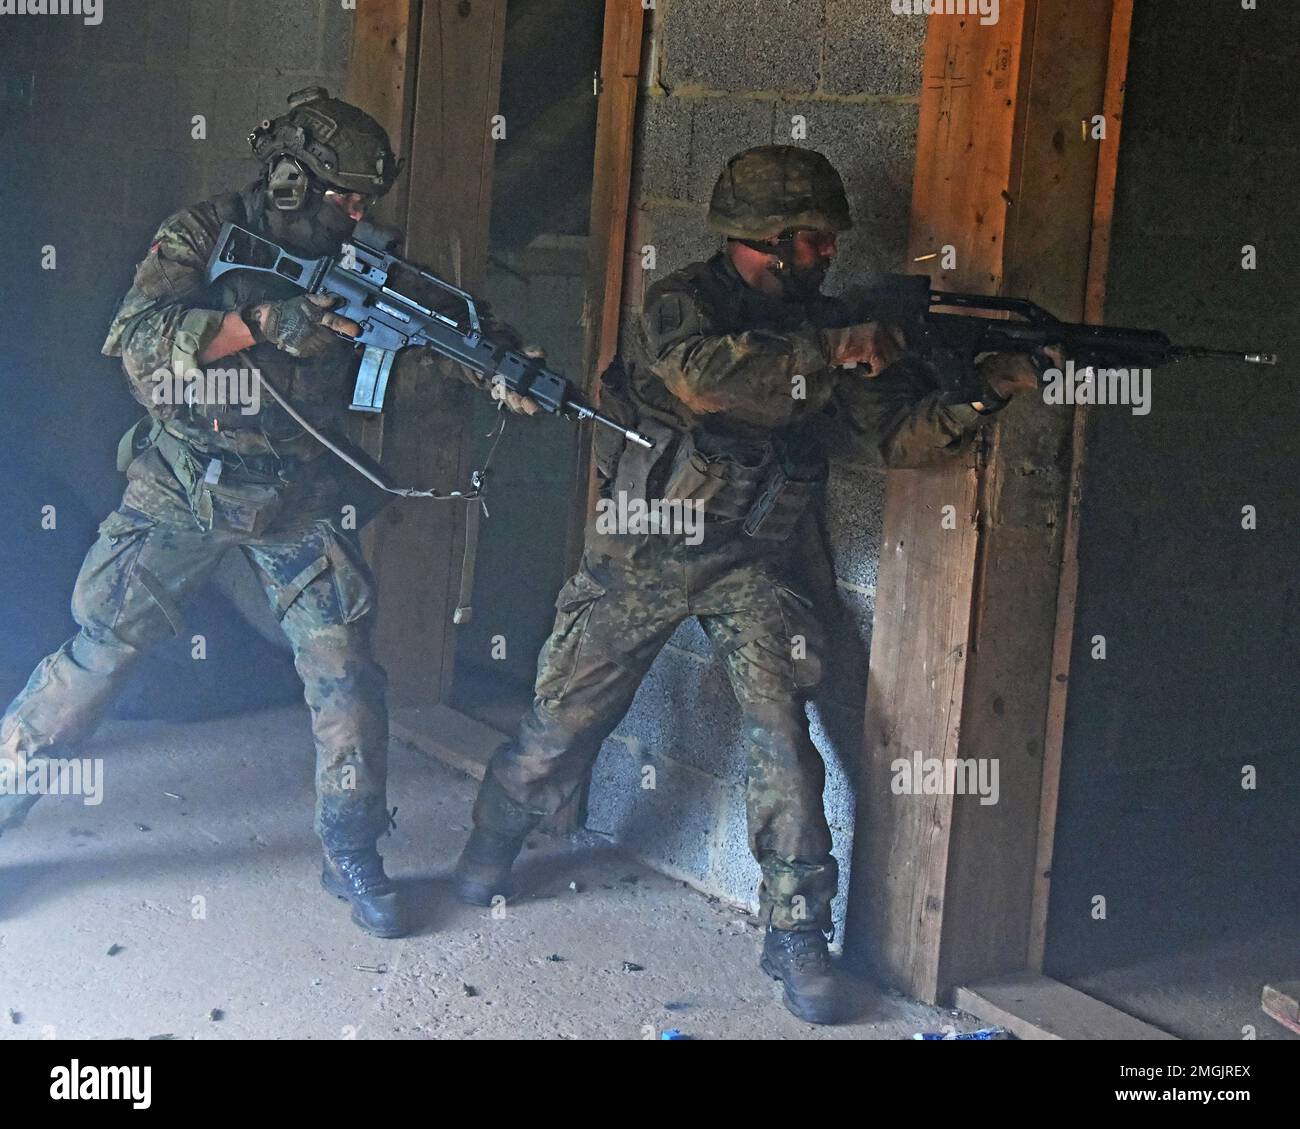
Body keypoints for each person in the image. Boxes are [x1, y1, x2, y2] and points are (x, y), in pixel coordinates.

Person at [452, 145, 1049, 1022]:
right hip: (643, 553)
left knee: (784, 738)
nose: (824, 260)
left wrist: (986, 392)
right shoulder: (682, 305)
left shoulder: (830, 327)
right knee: (562, 724)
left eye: (826, 246)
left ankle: (797, 932)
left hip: (750, 563)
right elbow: (704, 381)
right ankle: (492, 843)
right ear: (761, 240)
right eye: (809, 244)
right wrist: (840, 343)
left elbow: (900, 440)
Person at [0, 87, 524, 939]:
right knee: (93, 663)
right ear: (289, 179)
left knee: (346, 674)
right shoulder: (203, 235)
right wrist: (256, 324)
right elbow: (138, 342)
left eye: (364, 200)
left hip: (297, 493)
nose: (357, 213)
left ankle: (352, 846)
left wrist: (493, 370)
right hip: (185, 482)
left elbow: (410, 367)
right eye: (342, 196)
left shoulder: (363, 264)